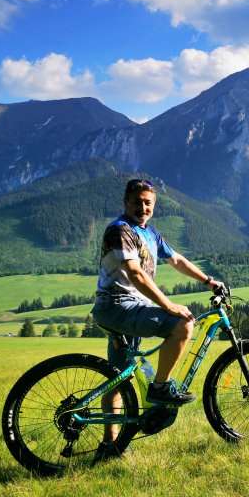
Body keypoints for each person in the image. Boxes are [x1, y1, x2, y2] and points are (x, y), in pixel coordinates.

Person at [91, 178, 223, 455]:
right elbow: (136, 274)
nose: (142, 207)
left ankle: (110, 445)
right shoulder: (120, 230)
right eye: (137, 201)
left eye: (147, 202)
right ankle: (161, 388)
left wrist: (208, 280)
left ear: (154, 205)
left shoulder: (149, 233)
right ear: (126, 202)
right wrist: (168, 306)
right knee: (183, 324)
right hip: (118, 307)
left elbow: (177, 260)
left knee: (118, 378)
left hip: (126, 309)